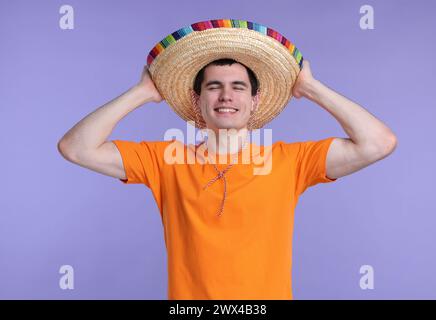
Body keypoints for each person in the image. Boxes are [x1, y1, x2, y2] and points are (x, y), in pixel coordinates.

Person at [57, 19, 397, 300]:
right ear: (198, 98)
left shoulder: (291, 161)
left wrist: (310, 88)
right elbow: (76, 148)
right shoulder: (165, 160)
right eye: (213, 86)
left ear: (254, 100)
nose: (226, 96)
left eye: (238, 86)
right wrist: (142, 93)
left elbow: (378, 143)